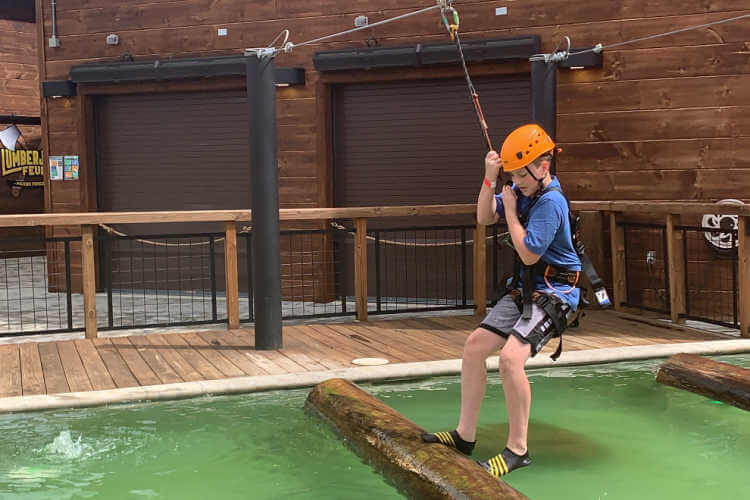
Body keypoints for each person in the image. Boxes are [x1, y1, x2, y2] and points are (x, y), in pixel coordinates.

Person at [421, 123, 582, 478]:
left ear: (543, 166)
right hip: (526, 290)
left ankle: (517, 450)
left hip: (557, 294)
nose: (518, 182)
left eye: (521, 175)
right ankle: (465, 437)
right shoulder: (521, 191)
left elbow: (527, 254)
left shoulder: (551, 202)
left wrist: (509, 209)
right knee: (475, 346)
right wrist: (489, 178)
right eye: (512, 175)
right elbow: (482, 217)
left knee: (511, 360)